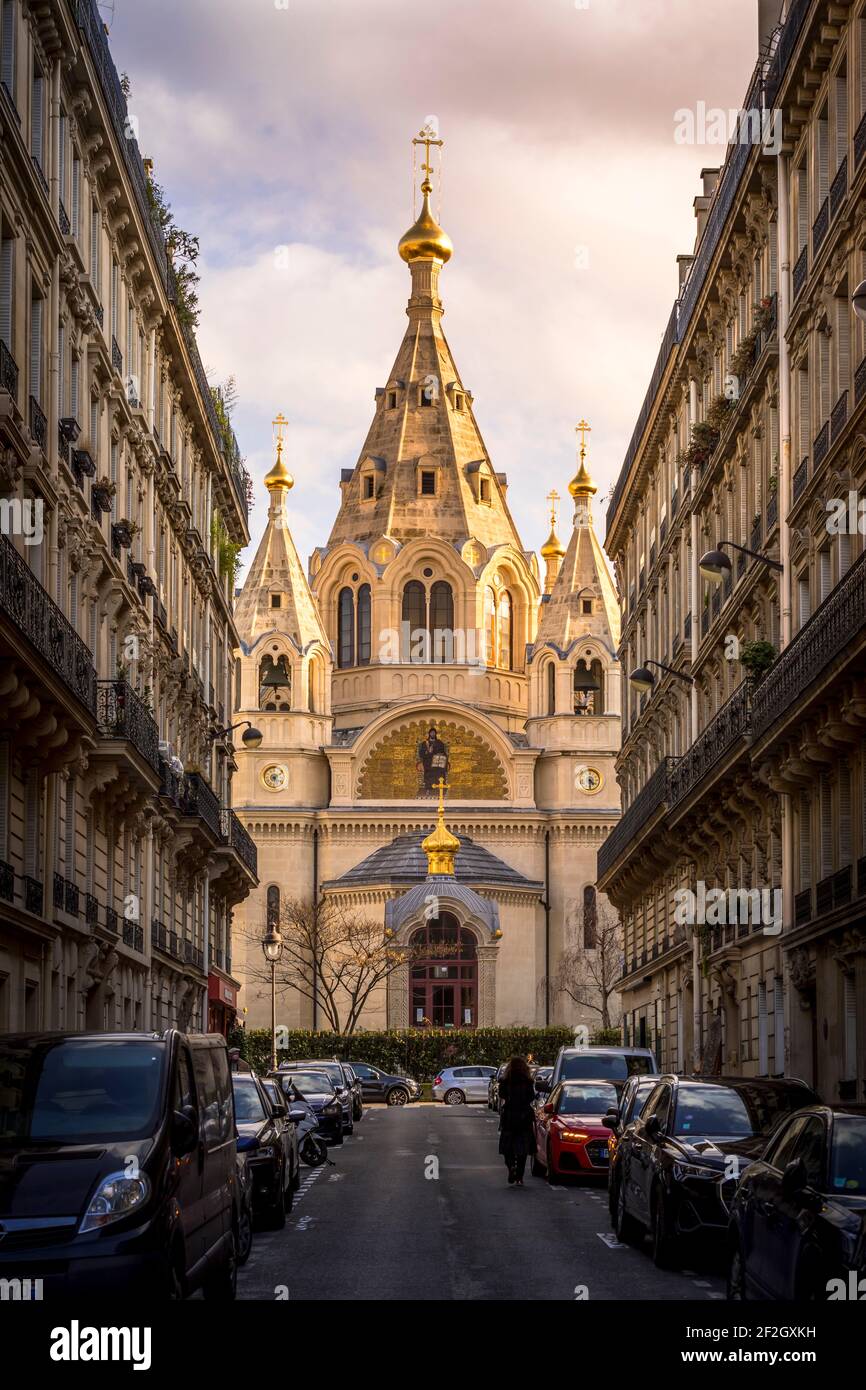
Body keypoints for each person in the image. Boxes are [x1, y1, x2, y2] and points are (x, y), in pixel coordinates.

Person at [497, 1055, 537, 1186]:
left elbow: (502, 1095)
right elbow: (531, 1097)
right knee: (523, 1149)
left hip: (509, 1117)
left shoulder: (506, 1080)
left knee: (507, 1146)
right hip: (524, 1117)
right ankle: (519, 1176)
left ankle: (511, 1167)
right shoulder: (527, 1081)